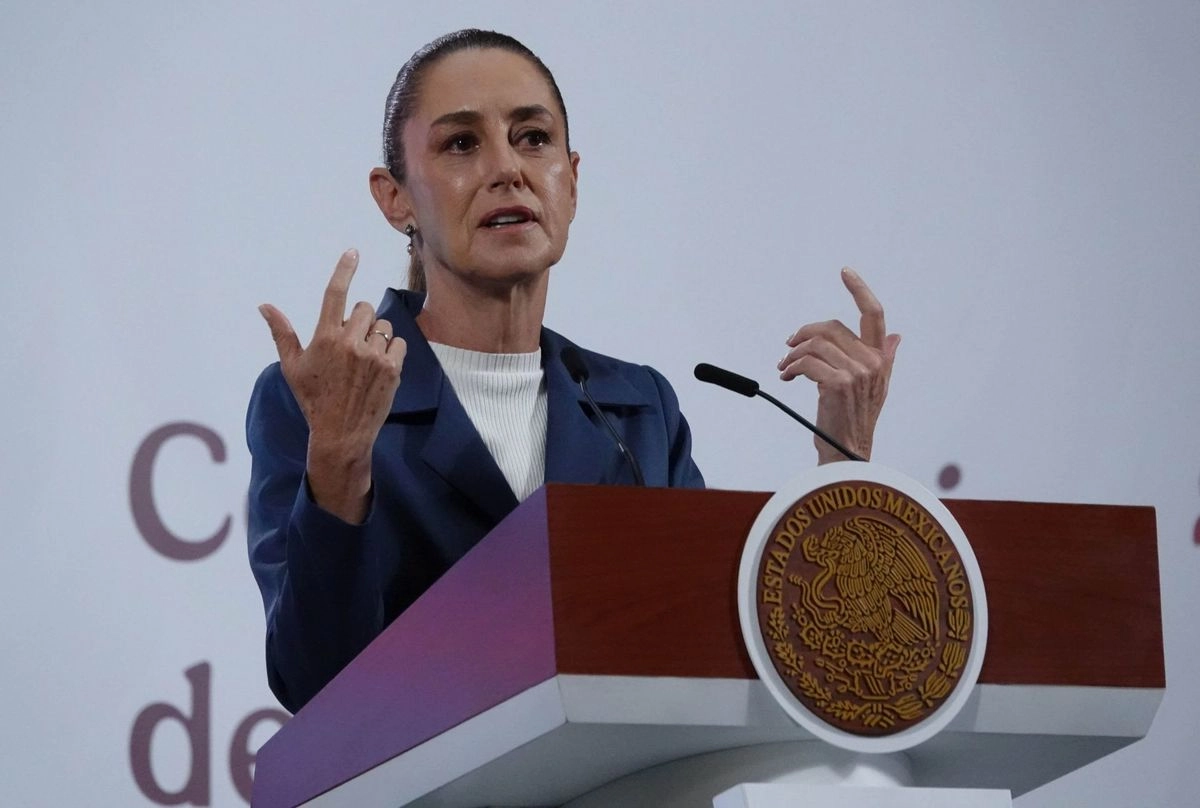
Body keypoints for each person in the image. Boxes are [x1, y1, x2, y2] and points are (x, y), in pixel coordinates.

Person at [247, 29, 900, 713]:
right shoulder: (323, 401)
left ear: (572, 179)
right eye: (462, 144)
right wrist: (342, 458)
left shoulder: (637, 407)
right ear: (395, 198)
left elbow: (717, 648)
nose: (509, 169)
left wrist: (843, 470)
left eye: (533, 138)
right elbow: (314, 682)